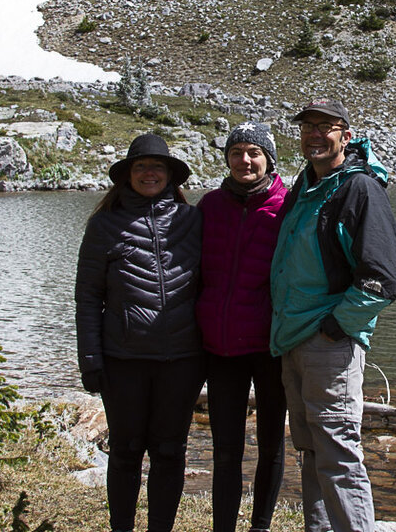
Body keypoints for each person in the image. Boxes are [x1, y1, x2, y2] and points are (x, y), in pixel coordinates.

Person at [269, 98, 396, 532]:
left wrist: (336, 326)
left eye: (325, 127)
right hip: (293, 339)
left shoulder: (358, 189)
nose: (314, 134)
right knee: (312, 450)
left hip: (330, 343)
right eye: (307, 127)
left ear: (346, 135)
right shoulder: (304, 187)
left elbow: (383, 278)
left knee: (338, 454)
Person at [75, 133, 205, 532]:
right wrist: (91, 358)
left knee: (170, 451)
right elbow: (87, 298)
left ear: (171, 176)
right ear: (127, 176)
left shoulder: (193, 220)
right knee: (127, 451)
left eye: (157, 167)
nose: (150, 173)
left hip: (183, 359)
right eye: (141, 167)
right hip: (123, 359)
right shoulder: (104, 225)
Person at [196, 122, 288, 532]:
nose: (244, 160)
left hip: (271, 345)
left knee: (270, 444)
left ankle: (261, 526)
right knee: (226, 448)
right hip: (221, 346)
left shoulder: (288, 205)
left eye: (253, 152)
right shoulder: (210, 206)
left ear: (268, 159)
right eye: (237, 153)